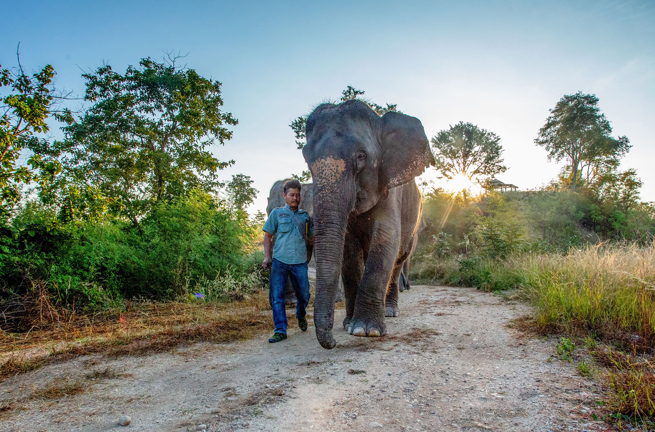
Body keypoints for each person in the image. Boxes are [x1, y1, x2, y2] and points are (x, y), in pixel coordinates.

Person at [262, 179, 313, 343]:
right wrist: (267, 257)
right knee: (277, 297)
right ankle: (280, 330)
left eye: (298, 195)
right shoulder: (276, 214)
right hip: (279, 261)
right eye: (291, 195)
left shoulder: (305, 216)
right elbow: (268, 236)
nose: (295, 198)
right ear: (284, 196)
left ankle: (300, 314)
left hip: (299, 262)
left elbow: (312, 237)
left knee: (304, 295)